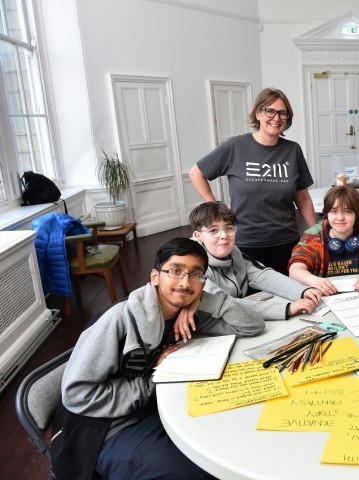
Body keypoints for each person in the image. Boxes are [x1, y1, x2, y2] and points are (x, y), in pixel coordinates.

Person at [55, 238, 266, 479]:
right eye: (175, 271)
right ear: (155, 276)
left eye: (196, 274)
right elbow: (76, 394)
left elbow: (251, 326)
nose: (185, 282)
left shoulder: (187, 316)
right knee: (202, 472)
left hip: (155, 409)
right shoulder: (119, 321)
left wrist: (203, 299)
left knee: (230, 441)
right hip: (106, 430)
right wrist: (154, 376)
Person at [189, 87, 316, 275]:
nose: (277, 117)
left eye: (283, 113)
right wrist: (214, 207)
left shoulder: (292, 150)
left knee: (288, 295)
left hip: (286, 241)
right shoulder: (236, 146)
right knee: (252, 298)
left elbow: (303, 198)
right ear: (258, 113)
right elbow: (196, 173)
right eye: (270, 111)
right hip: (246, 243)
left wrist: (315, 233)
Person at [173, 201, 321, 341]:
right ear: (198, 236)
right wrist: (287, 308)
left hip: (238, 322)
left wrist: (303, 290)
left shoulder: (233, 252)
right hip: (203, 337)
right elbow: (225, 303)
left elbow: (263, 275)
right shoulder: (193, 267)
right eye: (213, 230)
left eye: (229, 228)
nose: (224, 235)